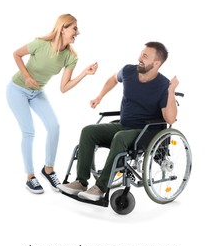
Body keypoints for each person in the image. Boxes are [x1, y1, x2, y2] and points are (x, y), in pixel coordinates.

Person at [59, 41, 179, 201]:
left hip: (146, 133)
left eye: (145, 56)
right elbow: (113, 79)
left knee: (120, 137)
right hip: (123, 125)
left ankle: (100, 188)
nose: (139, 58)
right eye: (141, 54)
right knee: (88, 131)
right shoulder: (129, 71)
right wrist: (99, 97)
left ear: (156, 63)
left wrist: (171, 91)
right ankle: (81, 182)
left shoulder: (163, 85)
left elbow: (170, 119)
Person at [6, 14, 98, 194]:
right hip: (17, 89)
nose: (77, 32)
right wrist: (26, 76)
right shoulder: (40, 43)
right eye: (74, 28)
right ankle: (30, 177)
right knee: (29, 132)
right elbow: (16, 54)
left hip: (37, 92)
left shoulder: (71, 56)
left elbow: (64, 88)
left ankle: (48, 170)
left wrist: (84, 74)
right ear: (63, 28)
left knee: (54, 126)